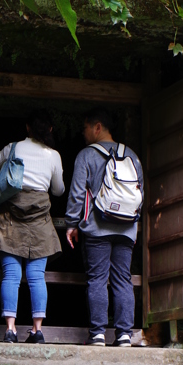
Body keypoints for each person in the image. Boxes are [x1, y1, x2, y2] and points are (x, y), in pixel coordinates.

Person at [65, 107, 144, 347]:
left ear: (97, 127)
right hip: (126, 229)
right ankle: (124, 335)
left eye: (85, 127)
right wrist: (134, 227)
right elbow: (140, 193)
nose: (83, 133)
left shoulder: (86, 155)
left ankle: (98, 334)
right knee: (123, 279)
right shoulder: (132, 155)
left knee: (97, 279)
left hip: (97, 228)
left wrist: (71, 224)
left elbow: (77, 193)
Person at [0, 111, 64, 343]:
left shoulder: (13, 148)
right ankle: (37, 332)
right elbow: (58, 190)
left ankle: (11, 330)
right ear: (49, 129)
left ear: (27, 127)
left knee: (11, 275)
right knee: (37, 276)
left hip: (10, 219)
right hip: (40, 222)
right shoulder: (53, 156)